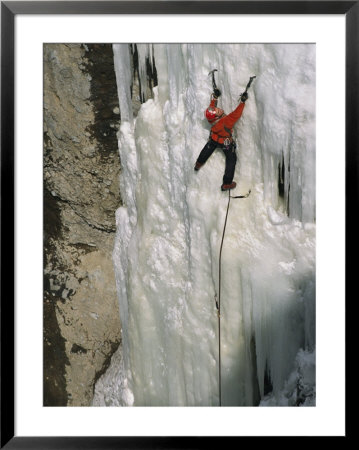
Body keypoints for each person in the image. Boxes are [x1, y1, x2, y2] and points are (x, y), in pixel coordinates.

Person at [194, 88, 248, 191]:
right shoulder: (226, 121)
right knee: (231, 159)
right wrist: (242, 102)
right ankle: (227, 183)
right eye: (218, 111)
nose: (219, 110)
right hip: (225, 143)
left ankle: (198, 163)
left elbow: (212, 108)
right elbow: (236, 114)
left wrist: (214, 97)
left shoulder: (212, 119)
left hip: (214, 139)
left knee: (207, 149)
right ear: (217, 117)